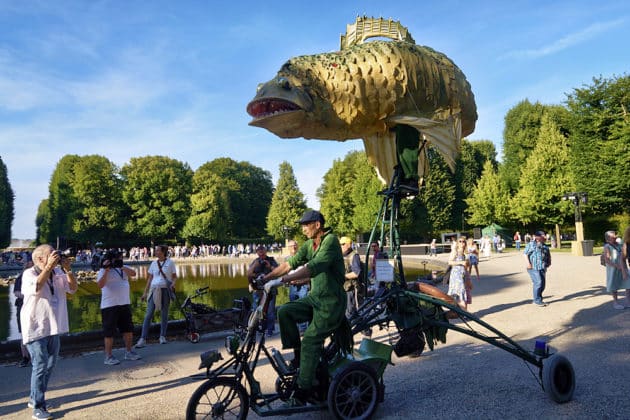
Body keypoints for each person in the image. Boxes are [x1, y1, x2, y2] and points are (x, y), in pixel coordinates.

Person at [262, 209, 347, 406]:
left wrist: (282, 281)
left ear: (317, 225)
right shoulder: (310, 245)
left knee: (310, 339)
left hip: (331, 303)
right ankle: (301, 360)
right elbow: (290, 263)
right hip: (315, 298)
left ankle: (302, 392)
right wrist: (265, 279)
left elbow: (313, 267)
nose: (303, 229)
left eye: (305, 225)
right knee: (284, 312)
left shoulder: (331, 241)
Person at [20, 245, 78, 420]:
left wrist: (68, 271)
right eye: (50, 254)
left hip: (53, 326)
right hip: (35, 327)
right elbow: (37, 286)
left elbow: (73, 289)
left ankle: (35, 397)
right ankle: (38, 407)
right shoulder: (29, 273)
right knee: (40, 366)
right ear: (39, 259)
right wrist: (48, 268)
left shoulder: (58, 273)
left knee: (50, 364)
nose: (55, 256)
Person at [96, 249, 142, 365]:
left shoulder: (123, 267)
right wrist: (106, 270)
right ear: (111, 259)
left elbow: (134, 274)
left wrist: (122, 267)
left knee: (128, 329)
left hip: (124, 303)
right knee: (109, 332)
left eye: (121, 258)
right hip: (109, 305)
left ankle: (129, 351)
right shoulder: (103, 270)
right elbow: (100, 285)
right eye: (118, 258)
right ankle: (108, 356)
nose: (120, 260)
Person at [136, 245, 177, 348]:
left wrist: (173, 284)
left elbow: (174, 277)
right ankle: (143, 338)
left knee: (164, 314)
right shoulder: (154, 263)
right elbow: (149, 279)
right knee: (148, 314)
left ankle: (162, 336)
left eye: (158, 250)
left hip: (165, 290)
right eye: (156, 250)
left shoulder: (170, 263)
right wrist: (145, 293)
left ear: (163, 252)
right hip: (154, 290)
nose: (156, 252)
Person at [247, 245, 279, 336]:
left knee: (270, 311)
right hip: (258, 290)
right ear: (257, 253)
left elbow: (278, 272)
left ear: (266, 252)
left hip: (270, 290)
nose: (261, 255)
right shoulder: (255, 261)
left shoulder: (272, 260)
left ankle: (270, 330)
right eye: (259, 253)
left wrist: (270, 267)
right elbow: (249, 274)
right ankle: (260, 328)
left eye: (263, 253)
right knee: (258, 310)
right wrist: (255, 268)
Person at [523, 230, 552, 307]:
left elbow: (548, 255)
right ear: (537, 237)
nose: (544, 237)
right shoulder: (531, 245)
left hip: (542, 267)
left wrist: (549, 261)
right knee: (538, 282)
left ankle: (539, 298)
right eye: (542, 236)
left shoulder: (545, 246)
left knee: (542, 284)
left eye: (544, 236)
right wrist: (528, 263)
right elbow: (525, 254)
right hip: (533, 267)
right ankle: (537, 300)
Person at [13, 260, 34, 367]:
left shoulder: (37, 277)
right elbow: (16, 292)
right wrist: (28, 296)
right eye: (29, 267)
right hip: (22, 307)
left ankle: (35, 357)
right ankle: (25, 357)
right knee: (24, 333)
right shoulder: (20, 278)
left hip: (35, 307)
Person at [602, 230, 630, 309]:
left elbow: (624, 254)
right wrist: (617, 266)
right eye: (613, 236)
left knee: (628, 284)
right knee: (614, 285)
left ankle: (628, 302)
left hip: (623, 267)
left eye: (615, 235)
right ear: (608, 239)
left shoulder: (619, 244)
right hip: (613, 269)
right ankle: (616, 303)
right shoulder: (607, 246)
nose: (615, 237)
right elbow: (607, 260)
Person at [340, 236, 362, 318]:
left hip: (351, 288)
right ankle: (365, 329)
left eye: (342, 244)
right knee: (348, 311)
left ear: (348, 245)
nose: (340, 246)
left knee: (350, 311)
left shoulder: (354, 256)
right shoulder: (341, 255)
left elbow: (356, 273)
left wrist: (343, 276)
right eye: (340, 244)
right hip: (343, 287)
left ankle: (350, 329)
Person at [447, 238, 472, 310]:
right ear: (457, 243)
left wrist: (468, 279)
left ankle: (462, 312)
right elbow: (450, 262)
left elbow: (467, 267)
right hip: (456, 275)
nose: (462, 243)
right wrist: (461, 262)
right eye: (460, 241)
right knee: (460, 291)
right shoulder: (455, 252)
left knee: (465, 291)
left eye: (463, 241)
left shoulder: (465, 254)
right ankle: (464, 313)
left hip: (463, 274)